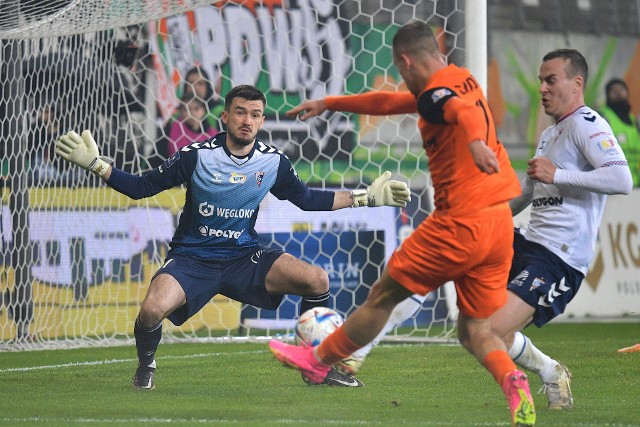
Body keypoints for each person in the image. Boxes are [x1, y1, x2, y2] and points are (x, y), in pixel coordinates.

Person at [54, 85, 411, 390]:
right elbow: (142, 187)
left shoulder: (272, 162)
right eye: (240, 112)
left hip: (243, 258)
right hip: (193, 260)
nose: (247, 120)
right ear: (225, 117)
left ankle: (314, 366)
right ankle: (146, 365)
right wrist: (97, 164)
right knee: (151, 310)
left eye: (255, 114)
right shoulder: (197, 157)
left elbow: (306, 199)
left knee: (316, 279)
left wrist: (366, 198)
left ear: (262, 120)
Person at [270, 21, 536, 427]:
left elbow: (460, 113)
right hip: (498, 223)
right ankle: (512, 380)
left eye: (399, 70)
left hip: (459, 222)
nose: (401, 78)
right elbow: (390, 103)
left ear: (406, 61)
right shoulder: (460, 78)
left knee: (383, 295)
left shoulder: (438, 94)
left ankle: (318, 358)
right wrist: (331, 102)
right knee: (474, 330)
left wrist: (477, 142)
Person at [490, 49, 632, 409]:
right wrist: (490, 217)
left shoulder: (589, 124)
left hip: (558, 257)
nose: (542, 88)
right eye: (540, 80)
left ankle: (551, 371)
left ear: (577, 82)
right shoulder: (551, 133)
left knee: (492, 330)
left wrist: (559, 174)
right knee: (476, 315)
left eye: (550, 80)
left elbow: (622, 178)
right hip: (529, 242)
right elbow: (528, 192)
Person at [599, 78, 640, 186]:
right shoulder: (602, 118)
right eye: (614, 91)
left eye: (621, 89)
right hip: (612, 185)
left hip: (634, 184)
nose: (618, 93)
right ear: (608, 95)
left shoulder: (635, 121)